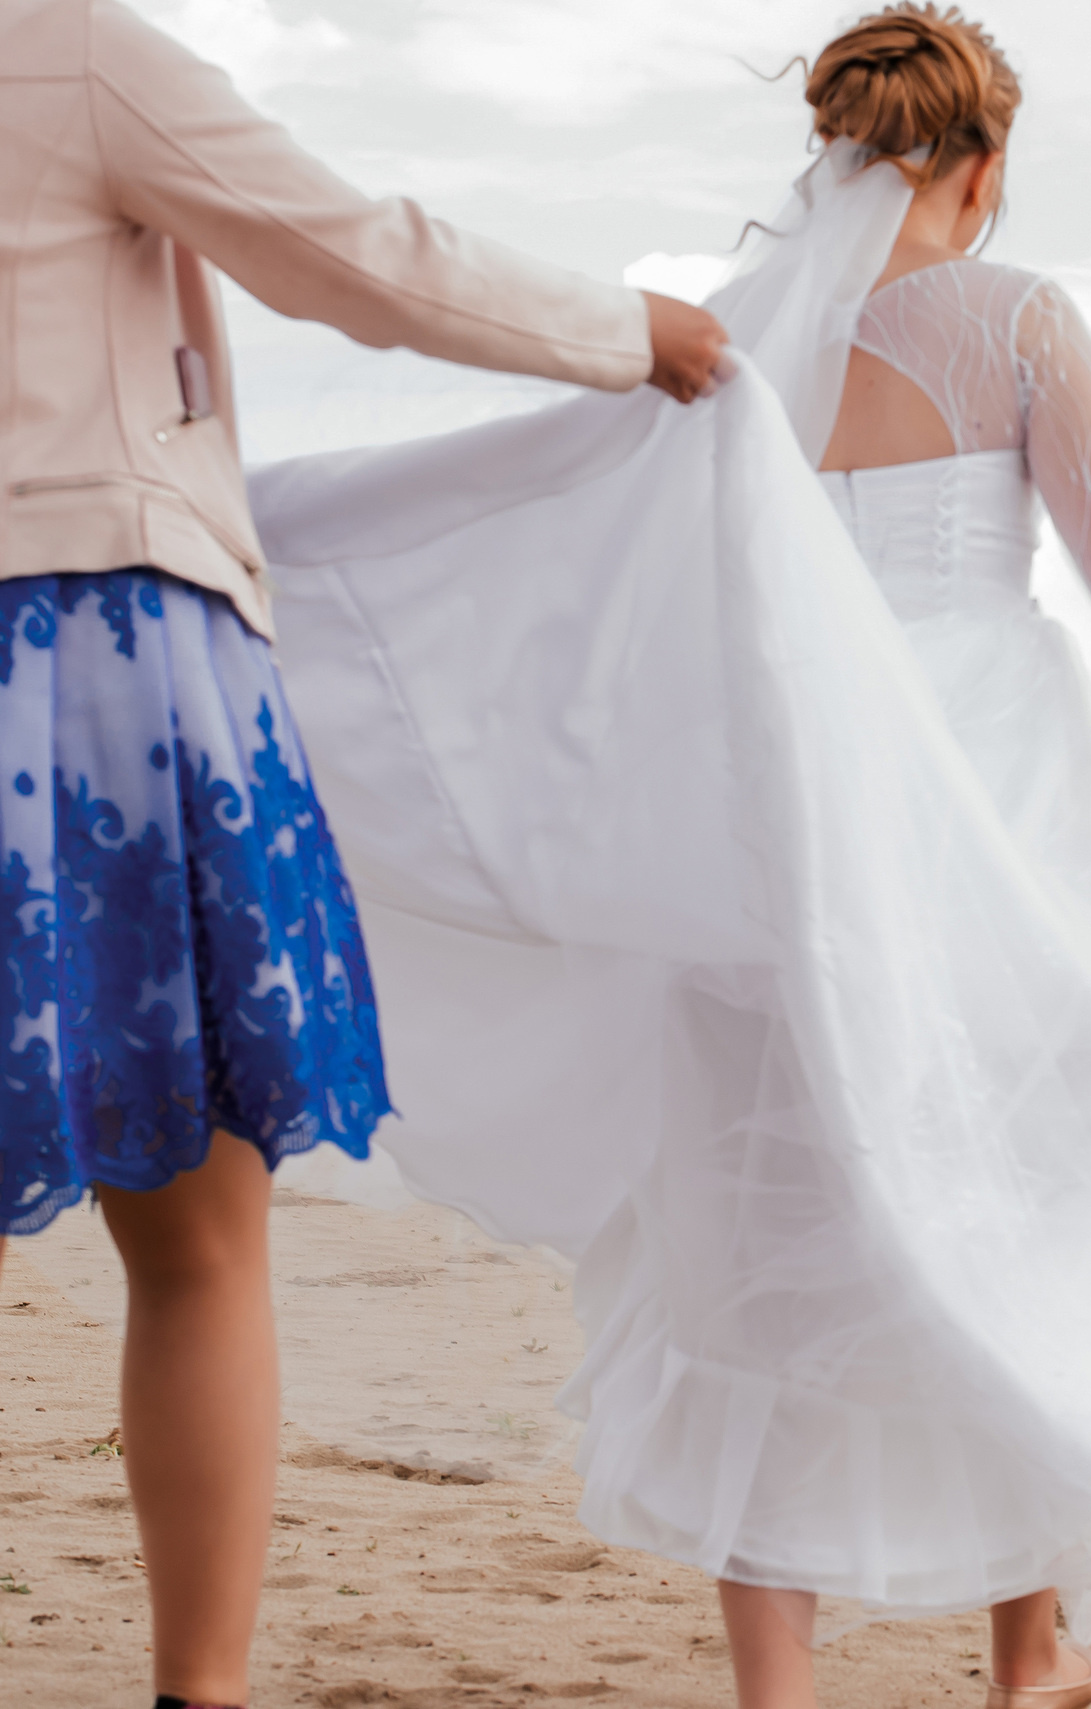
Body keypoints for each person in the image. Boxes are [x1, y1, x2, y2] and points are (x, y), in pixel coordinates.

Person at [234, 9, 1091, 1709]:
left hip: (783, 806)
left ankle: (777, 1688)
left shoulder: (735, 343)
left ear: (844, 150)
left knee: (757, 1225)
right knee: (1037, 1186)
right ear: (990, 162)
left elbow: (621, 572)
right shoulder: (1018, 320)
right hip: (986, 799)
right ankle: (1033, 1646)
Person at [0, 4, 727, 1706]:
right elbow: (352, 253)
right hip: (98, 667)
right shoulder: (66, 48)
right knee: (194, 1238)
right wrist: (632, 331)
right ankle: (202, 1685)